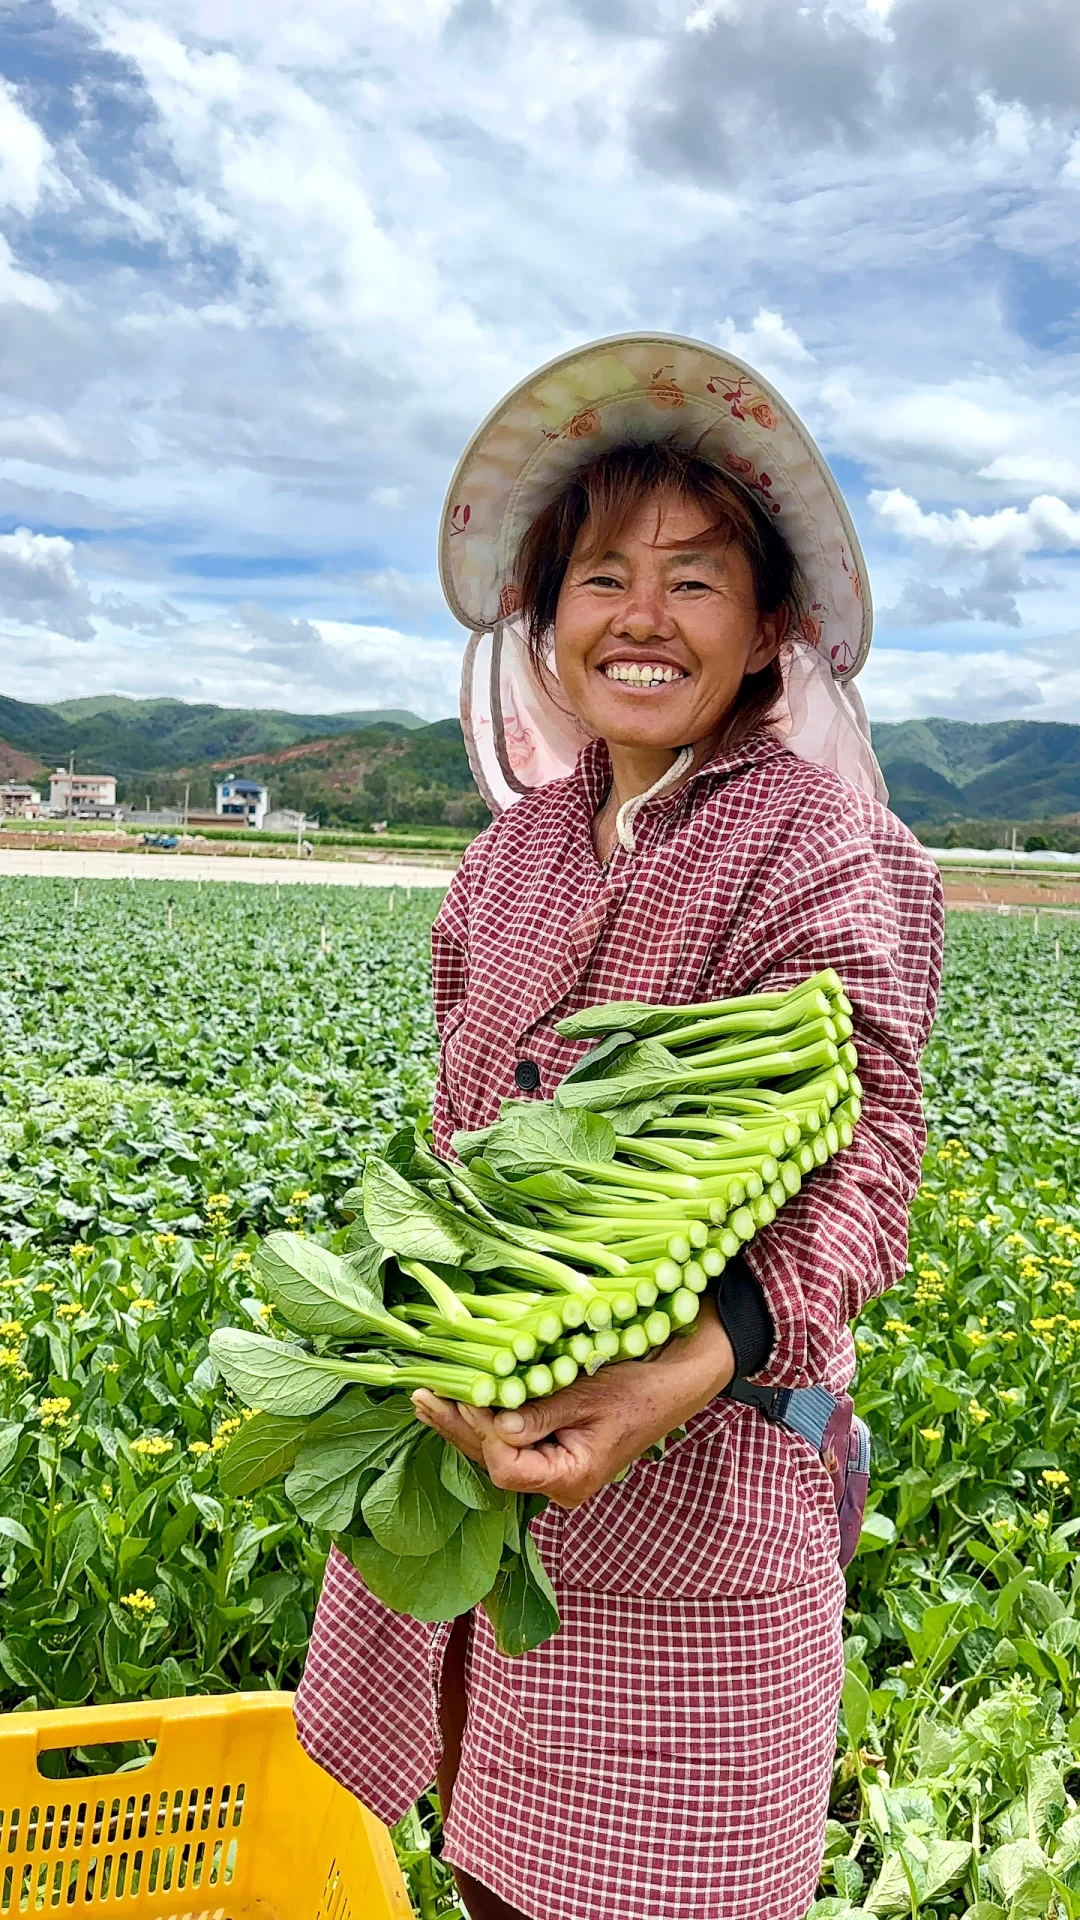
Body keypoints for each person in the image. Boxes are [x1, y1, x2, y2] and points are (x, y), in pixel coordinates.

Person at [294, 333, 944, 1920]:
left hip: (705, 1495)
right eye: (599, 575)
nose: (641, 616)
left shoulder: (821, 847)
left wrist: (689, 1359)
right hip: (478, 1463)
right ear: (544, 616)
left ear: (773, 627)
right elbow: (462, 1152)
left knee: (667, 1883)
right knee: (495, 1869)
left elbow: (864, 1171)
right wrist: (444, 1331)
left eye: (697, 580)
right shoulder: (508, 855)